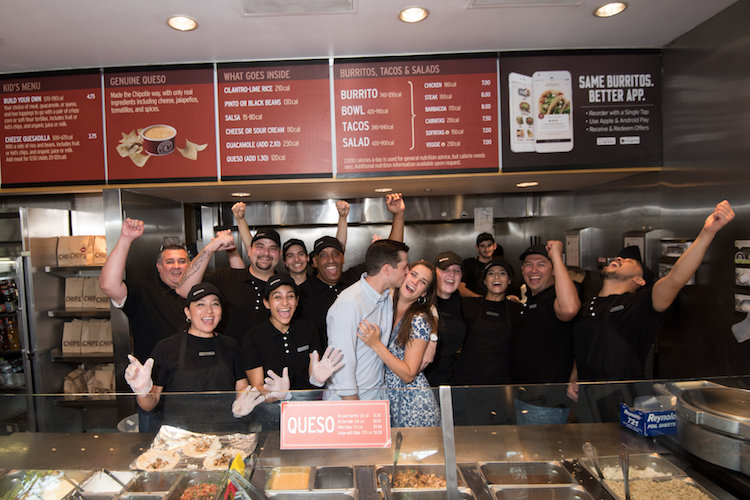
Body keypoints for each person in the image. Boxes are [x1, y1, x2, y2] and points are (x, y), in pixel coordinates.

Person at [570, 200, 735, 388]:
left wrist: (707, 232)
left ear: (640, 280)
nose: (619, 258)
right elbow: (584, 345)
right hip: (587, 397)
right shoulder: (587, 306)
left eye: (628, 261)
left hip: (626, 401)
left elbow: (675, 279)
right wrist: (574, 374)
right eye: (619, 258)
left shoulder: (641, 304)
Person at [123, 282, 289, 432]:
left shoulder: (230, 345)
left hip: (225, 433)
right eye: (200, 304)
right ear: (187, 312)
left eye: (215, 305)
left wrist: (245, 404)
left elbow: (242, 388)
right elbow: (149, 406)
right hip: (180, 437)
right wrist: (143, 391)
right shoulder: (167, 347)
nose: (209, 311)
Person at [99, 218, 189, 431]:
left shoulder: (198, 295)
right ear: (159, 267)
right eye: (170, 262)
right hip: (153, 393)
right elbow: (109, 285)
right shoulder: (142, 292)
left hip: (193, 392)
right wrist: (125, 238)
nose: (176, 267)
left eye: (182, 261)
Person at [297, 193, 406, 346]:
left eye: (336, 254)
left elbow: (391, 256)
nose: (331, 260)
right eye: (323, 255)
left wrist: (398, 215)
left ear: (343, 258)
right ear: (314, 262)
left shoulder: (354, 279)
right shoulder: (302, 294)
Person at [357, 261, 441, 427]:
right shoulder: (386, 305)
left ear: (424, 293)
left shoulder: (418, 320)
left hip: (414, 407)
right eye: (413, 274)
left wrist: (376, 345)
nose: (415, 282)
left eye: (422, 282)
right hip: (391, 401)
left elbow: (409, 374)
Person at [324, 239, 409, 400]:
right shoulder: (349, 304)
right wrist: (357, 410)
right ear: (387, 270)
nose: (407, 272)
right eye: (404, 267)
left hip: (376, 397)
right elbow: (342, 366)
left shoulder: (386, 295)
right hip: (350, 404)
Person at [176, 227, 281, 344]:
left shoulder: (285, 288)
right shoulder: (227, 277)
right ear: (250, 250)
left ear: (280, 254)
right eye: (260, 247)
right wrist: (210, 249)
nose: (266, 253)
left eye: (272, 248)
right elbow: (184, 290)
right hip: (227, 359)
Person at [242, 274, 343, 392]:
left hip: (306, 406)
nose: (285, 303)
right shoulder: (253, 337)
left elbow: (314, 376)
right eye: (277, 297)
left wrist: (317, 380)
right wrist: (276, 394)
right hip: (270, 408)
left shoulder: (308, 329)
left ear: (297, 301)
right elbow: (257, 387)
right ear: (266, 303)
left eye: (290, 296)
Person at [232, 200, 351, 285]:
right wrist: (240, 220)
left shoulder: (318, 281)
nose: (297, 260)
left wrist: (342, 218)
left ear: (308, 258)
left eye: (300, 254)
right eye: (290, 256)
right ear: (284, 261)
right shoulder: (278, 284)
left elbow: (338, 250)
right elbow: (251, 249)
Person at [510, 241, 580, 385]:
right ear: (522, 269)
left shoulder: (556, 298)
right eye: (529, 265)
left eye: (541, 264)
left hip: (548, 398)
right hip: (522, 391)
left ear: (553, 269)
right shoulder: (530, 299)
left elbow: (569, 309)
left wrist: (556, 257)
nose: (533, 270)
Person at [453, 257, 521, 386]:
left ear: (509, 280)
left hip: (502, 383)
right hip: (467, 381)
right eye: (491, 273)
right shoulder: (468, 305)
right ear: (484, 281)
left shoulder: (517, 310)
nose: (496, 277)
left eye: (502, 273)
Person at [423, 251, 467, 387]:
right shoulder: (421, 304)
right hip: (423, 384)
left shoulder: (460, 303)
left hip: (451, 384)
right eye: (445, 270)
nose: (452, 275)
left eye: (457, 271)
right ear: (434, 273)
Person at [459, 232, 499, 297]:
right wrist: (480, 299)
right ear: (477, 248)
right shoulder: (468, 264)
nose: (486, 249)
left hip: (495, 304)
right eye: (482, 246)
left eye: (489, 245)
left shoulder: (500, 265)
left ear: (495, 246)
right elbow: (460, 288)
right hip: (472, 304)